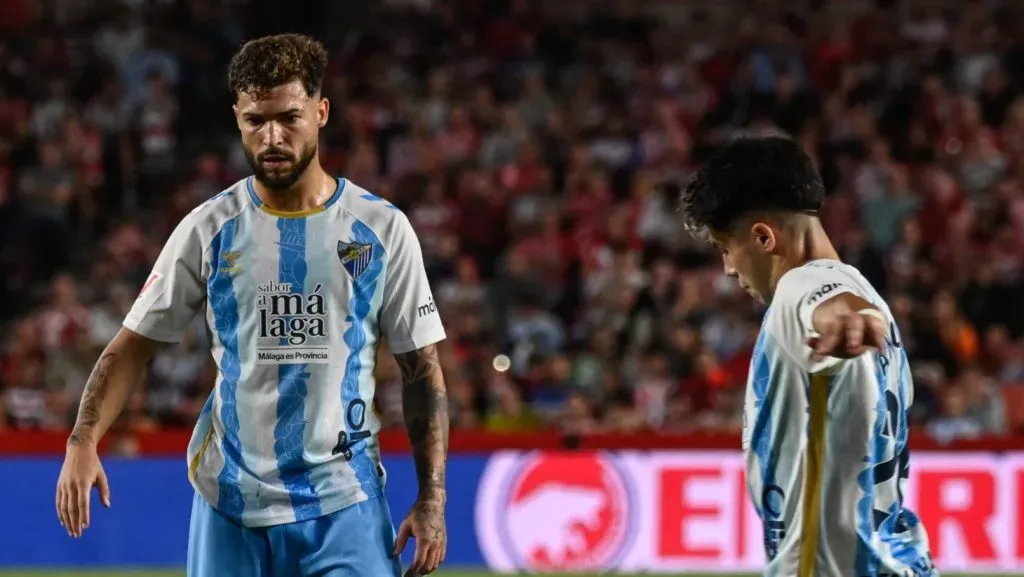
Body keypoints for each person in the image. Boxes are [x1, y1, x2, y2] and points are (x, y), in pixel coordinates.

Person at [55, 34, 449, 577]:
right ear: (237, 118)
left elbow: (421, 370)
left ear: (321, 111)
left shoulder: (381, 230)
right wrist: (83, 439)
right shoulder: (207, 229)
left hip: (344, 501)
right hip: (231, 505)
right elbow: (133, 347)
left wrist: (433, 499)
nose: (272, 137)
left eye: (289, 118)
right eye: (255, 121)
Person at [678, 137, 936, 576]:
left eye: (725, 248)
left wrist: (840, 314)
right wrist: (847, 311)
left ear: (762, 236)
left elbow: (822, 299)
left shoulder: (798, 288)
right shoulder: (878, 306)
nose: (728, 269)